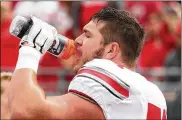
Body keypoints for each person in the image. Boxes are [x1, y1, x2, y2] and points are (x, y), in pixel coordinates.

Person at [7, 7, 167, 119]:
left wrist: (31, 48)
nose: (77, 40)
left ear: (111, 50)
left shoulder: (103, 70)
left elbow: (25, 111)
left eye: (87, 35)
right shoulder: (151, 91)